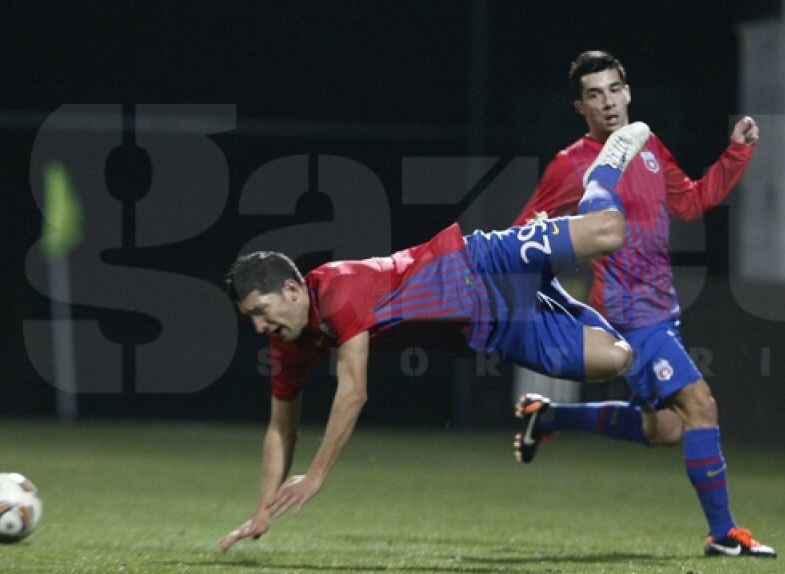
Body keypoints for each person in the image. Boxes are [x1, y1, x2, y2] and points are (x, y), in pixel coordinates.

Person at [218, 122, 651, 551]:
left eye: (260, 310)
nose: (258, 325)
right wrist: (261, 509)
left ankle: (602, 174)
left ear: (291, 290)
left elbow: (353, 393)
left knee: (609, 231)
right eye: (250, 317)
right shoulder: (289, 340)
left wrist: (315, 476)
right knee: (617, 358)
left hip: (487, 263)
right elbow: (280, 429)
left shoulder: (337, 290)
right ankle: (550, 286)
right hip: (495, 327)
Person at [510, 49, 774, 558]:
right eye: (594, 95)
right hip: (627, 312)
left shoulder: (647, 145)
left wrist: (735, 153)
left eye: (613, 89)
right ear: (579, 107)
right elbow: (526, 232)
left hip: (661, 308)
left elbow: (691, 201)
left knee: (666, 428)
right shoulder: (571, 166)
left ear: (627, 92)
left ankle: (548, 418)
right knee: (701, 406)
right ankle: (724, 534)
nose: (607, 102)